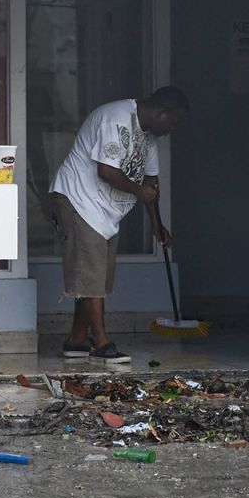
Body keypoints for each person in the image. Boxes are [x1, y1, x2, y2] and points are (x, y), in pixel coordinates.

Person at [49, 86, 189, 364]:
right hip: (78, 199)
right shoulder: (116, 118)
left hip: (105, 210)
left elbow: (151, 182)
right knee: (91, 276)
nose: (172, 130)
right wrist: (140, 192)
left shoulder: (148, 136)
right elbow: (107, 171)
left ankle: (77, 340)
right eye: (172, 123)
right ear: (161, 112)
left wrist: (156, 225)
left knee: (93, 277)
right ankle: (102, 344)